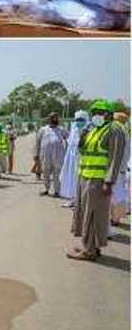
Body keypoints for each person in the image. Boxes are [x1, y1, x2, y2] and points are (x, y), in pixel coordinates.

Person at [68, 101, 128, 261]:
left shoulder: (114, 129)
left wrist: (109, 182)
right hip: (85, 177)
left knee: (94, 215)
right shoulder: (95, 129)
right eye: (94, 112)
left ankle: (89, 251)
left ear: (108, 114)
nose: (96, 115)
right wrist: (83, 134)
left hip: (99, 180)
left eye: (100, 112)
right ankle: (90, 246)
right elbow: (82, 149)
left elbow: (116, 157)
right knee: (85, 214)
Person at [59, 111, 89, 204]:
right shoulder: (74, 129)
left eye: (81, 120)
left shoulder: (89, 131)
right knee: (72, 179)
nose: (79, 122)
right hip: (72, 160)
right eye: (77, 120)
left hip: (83, 159)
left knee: (81, 180)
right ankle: (72, 199)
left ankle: (81, 201)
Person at [36, 113, 67, 196]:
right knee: (46, 172)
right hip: (45, 156)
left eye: (56, 118)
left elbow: (69, 139)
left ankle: (57, 191)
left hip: (58, 155)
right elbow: (38, 143)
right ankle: (46, 189)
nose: (54, 119)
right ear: (49, 119)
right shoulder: (43, 130)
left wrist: (67, 152)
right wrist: (36, 154)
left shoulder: (61, 130)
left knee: (57, 174)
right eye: (52, 118)